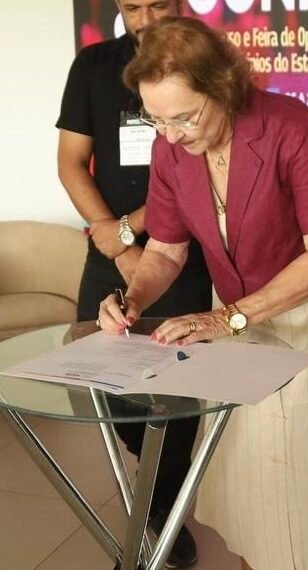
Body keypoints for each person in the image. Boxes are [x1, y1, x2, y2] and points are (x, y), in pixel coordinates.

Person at [98, 16, 308, 570]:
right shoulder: (171, 149)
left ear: (223, 87)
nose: (171, 135)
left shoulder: (295, 129)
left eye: (184, 117)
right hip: (232, 322)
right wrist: (132, 299)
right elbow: (166, 251)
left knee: (306, 490)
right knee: (252, 489)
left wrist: (227, 318)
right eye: (156, 119)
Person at [56, 2, 212, 568]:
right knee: (98, 378)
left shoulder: (203, 62)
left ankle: (163, 509)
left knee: (178, 390)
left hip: (182, 251)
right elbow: (71, 162)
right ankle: (155, 479)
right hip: (107, 248)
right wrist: (119, 244)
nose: (145, 19)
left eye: (158, 5)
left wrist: (130, 230)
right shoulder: (94, 65)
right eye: (132, 7)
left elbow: (199, 171)